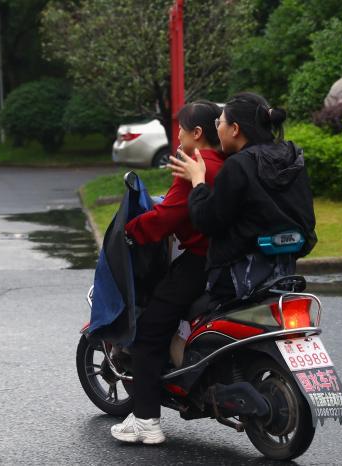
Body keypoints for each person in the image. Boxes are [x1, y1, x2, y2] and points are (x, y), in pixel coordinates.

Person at [110, 100, 225, 444]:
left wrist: (131, 231)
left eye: (181, 129)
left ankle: (147, 420)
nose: (177, 136)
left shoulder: (196, 166)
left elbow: (168, 217)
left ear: (197, 133)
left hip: (198, 262)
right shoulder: (231, 163)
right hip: (228, 262)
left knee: (148, 333)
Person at [169, 92, 316, 303]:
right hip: (285, 274)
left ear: (235, 129)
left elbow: (207, 221)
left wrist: (198, 180)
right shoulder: (291, 156)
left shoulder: (238, 165)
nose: (217, 128)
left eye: (220, 122)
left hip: (236, 279)